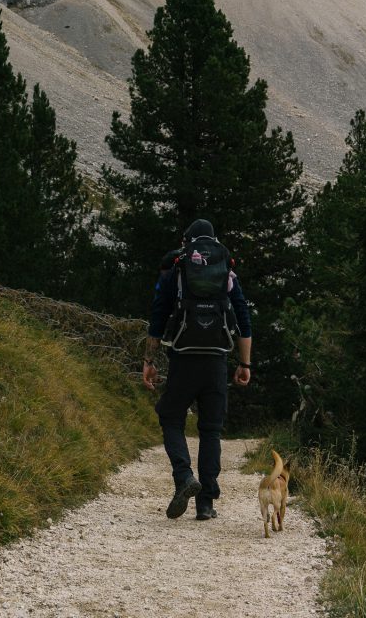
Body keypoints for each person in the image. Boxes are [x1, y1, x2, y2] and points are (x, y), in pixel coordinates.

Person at [142, 218, 252, 521]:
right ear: (213, 241)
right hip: (216, 359)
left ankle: (184, 476)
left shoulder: (177, 269)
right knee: (211, 430)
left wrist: (149, 361)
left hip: (183, 358)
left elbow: (158, 316)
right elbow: (243, 318)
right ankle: (206, 503)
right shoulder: (226, 272)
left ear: (185, 241)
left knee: (171, 417)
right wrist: (245, 364)